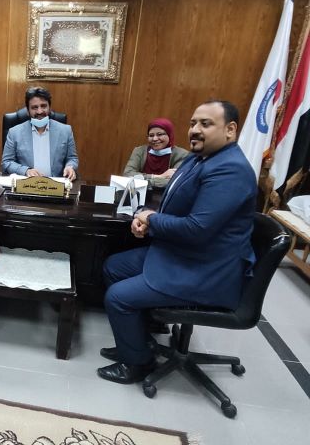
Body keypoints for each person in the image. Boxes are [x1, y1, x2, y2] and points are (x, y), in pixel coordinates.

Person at [98, 100, 257, 384]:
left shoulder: (230, 170)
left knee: (118, 298)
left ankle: (136, 364)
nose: (195, 130)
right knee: (114, 266)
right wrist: (146, 219)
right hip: (181, 254)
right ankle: (138, 342)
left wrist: (151, 219)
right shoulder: (199, 158)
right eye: (193, 123)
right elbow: (173, 205)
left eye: (206, 124)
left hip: (205, 270)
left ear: (230, 130)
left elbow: (197, 228)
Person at [1, 87, 79, 180]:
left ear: (49, 107)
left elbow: (72, 158)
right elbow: (6, 162)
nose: (39, 111)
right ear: (28, 111)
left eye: (43, 106)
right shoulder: (14, 132)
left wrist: (70, 167)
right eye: (34, 107)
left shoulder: (65, 130)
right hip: (27, 184)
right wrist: (26, 171)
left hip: (56, 184)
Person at [123, 118, 189, 188]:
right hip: (139, 192)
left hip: (164, 194)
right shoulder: (139, 151)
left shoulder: (181, 155)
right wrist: (158, 176)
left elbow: (175, 181)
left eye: (159, 134)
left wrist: (146, 182)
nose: (154, 139)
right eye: (151, 135)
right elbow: (127, 174)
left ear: (169, 135)